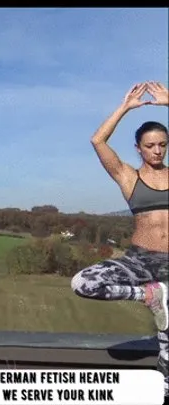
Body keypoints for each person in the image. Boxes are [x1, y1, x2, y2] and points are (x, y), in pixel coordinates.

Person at [71, 81, 169, 395]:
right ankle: (151, 297)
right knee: (84, 283)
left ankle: (164, 385)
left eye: (163, 144)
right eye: (150, 145)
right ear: (138, 148)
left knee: (168, 343)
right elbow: (97, 139)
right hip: (139, 262)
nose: (157, 150)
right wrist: (125, 107)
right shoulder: (128, 176)